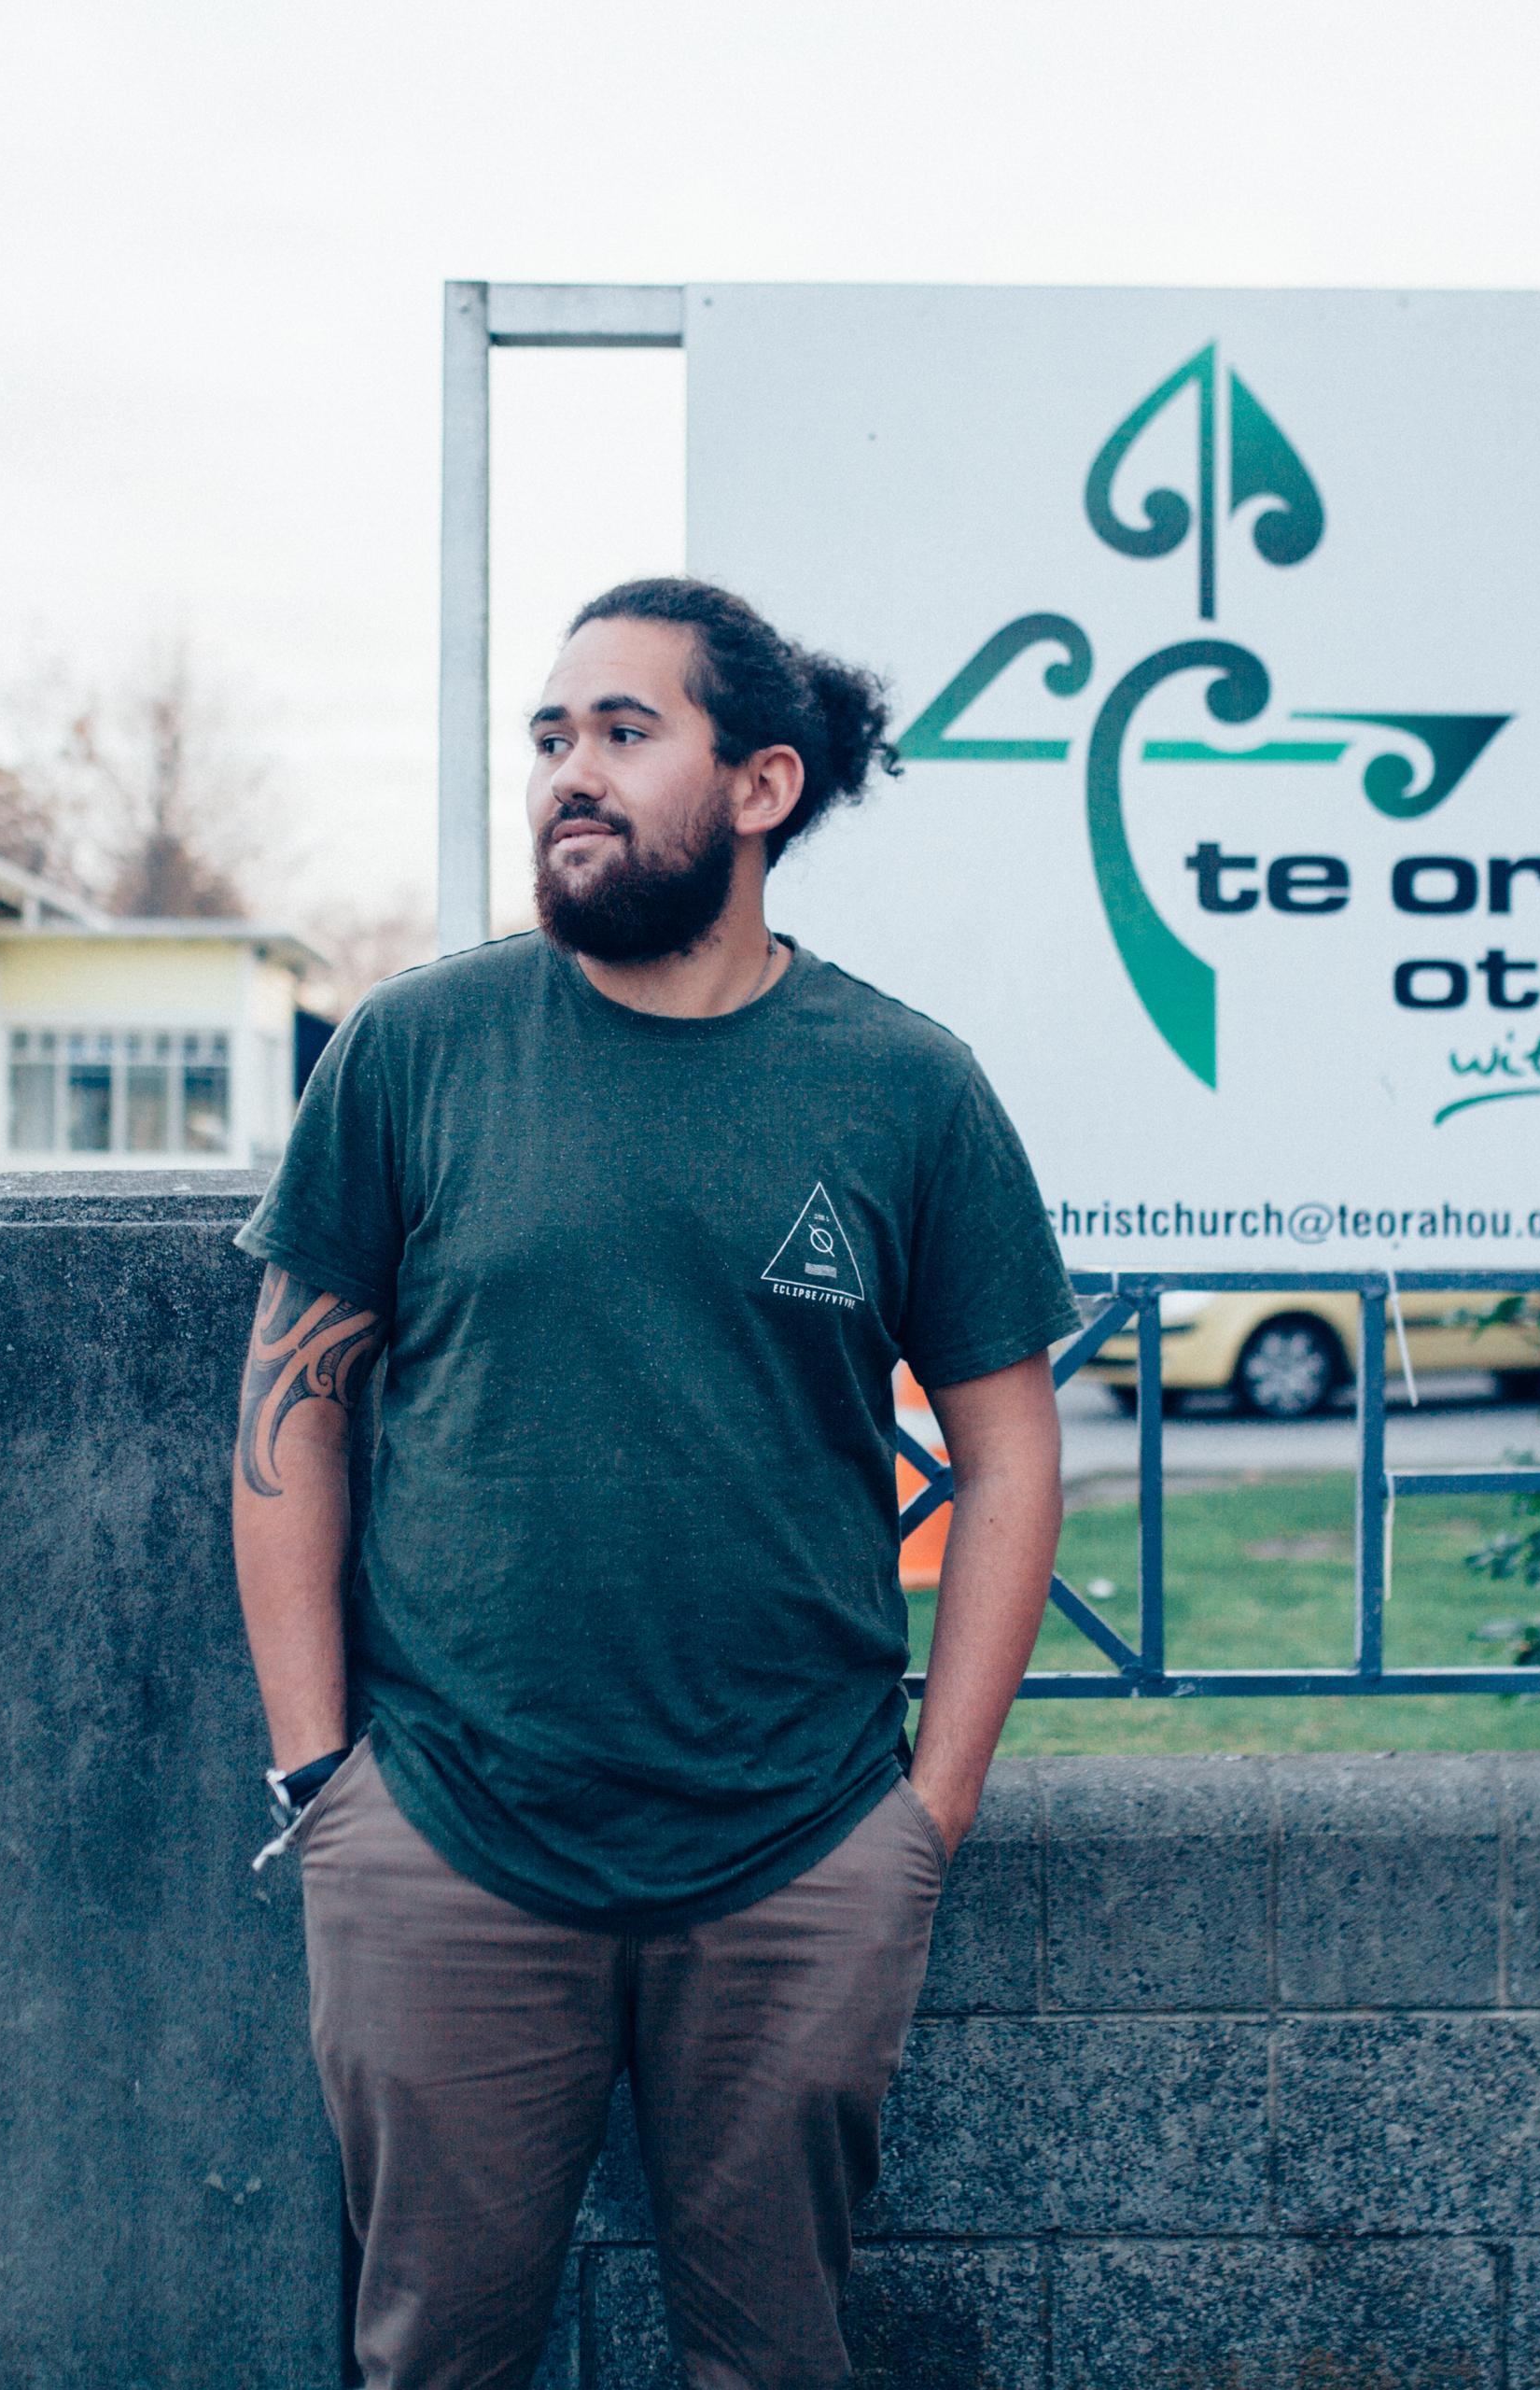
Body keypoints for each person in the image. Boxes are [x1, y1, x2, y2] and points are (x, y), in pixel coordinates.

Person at [229, 576, 1075, 2390]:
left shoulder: (905, 1085)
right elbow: (289, 1406)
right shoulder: (418, 1048)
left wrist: (923, 1820)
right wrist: (323, 1783)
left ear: (761, 783)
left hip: (795, 1853)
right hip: (448, 1837)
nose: (568, 775)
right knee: (435, 2359)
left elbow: (1009, 1452)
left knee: (774, 2360)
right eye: (549, 737)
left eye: (624, 731)